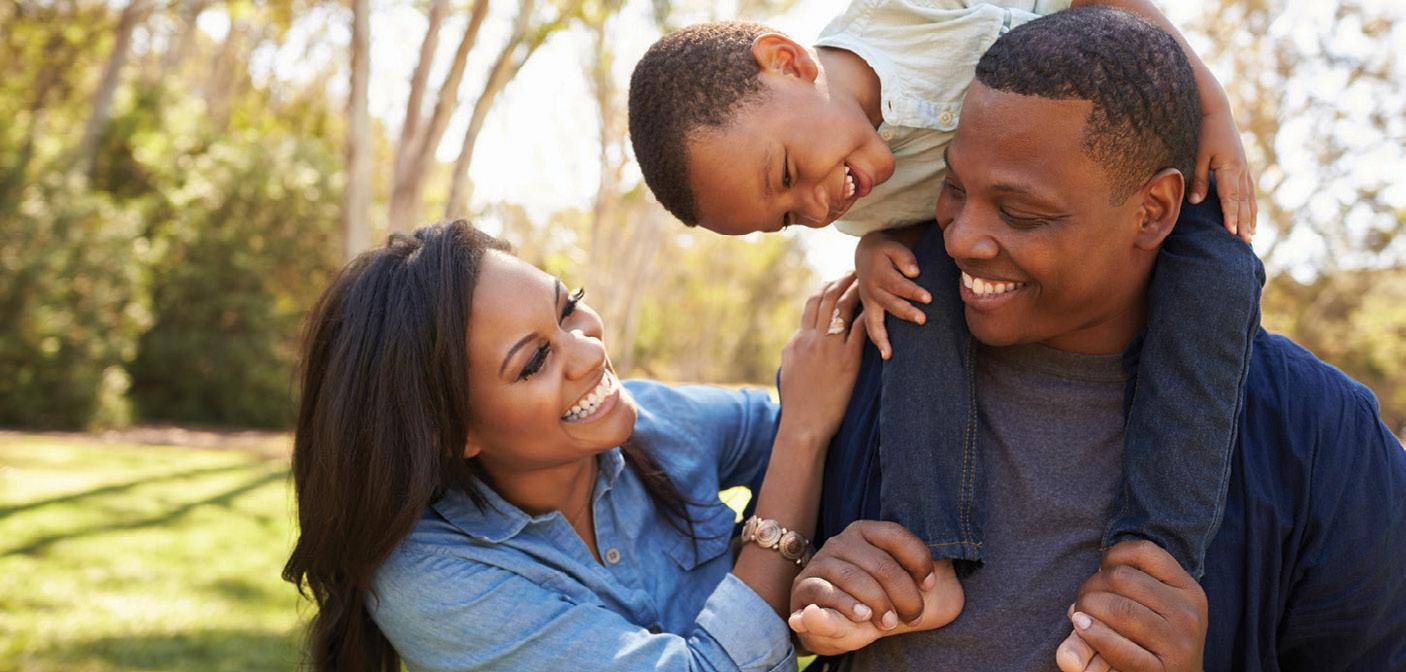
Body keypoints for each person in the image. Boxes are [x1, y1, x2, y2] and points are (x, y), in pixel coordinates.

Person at [787, 8, 1406, 670]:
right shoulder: (870, 361)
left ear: (1154, 210)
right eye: (954, 189)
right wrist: (810, 608)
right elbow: (756, 595)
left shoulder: (1317, 436)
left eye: (1021, 213)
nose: (961, 239)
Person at [627, 0, 1262, 616]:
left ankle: (1156, 559)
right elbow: (935, 225)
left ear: (788, 61)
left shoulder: (905, 15)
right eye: (790, 218)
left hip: (1134, 170)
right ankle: (928, 557)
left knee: (1223, 272)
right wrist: (873, 250)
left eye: (789, 173)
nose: (819, 210)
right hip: (1023, 247)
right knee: (915, 296)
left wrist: (1210, 109)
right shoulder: (858, 195)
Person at [279, 221, 894, 671]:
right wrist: (802, 443)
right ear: (451, 433)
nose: (591, 351)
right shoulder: (432, 581)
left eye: (568, 308)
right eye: (535, 361)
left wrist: (879, 253)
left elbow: (839, 430)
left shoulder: (655, 421)